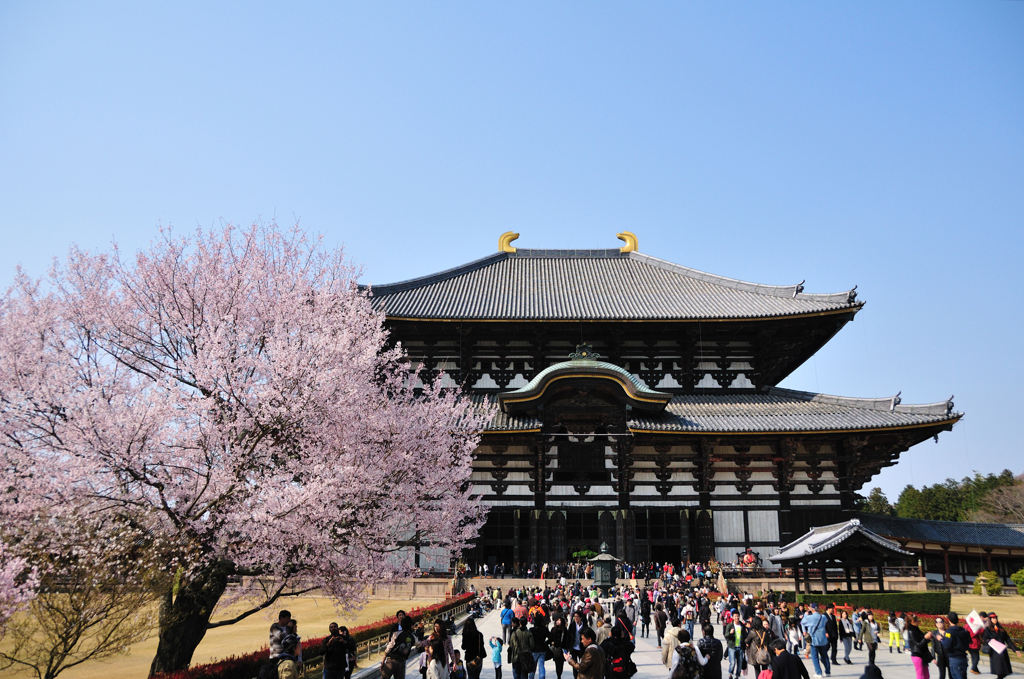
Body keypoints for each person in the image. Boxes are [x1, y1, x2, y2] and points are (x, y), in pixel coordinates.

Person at [982, 612, 1022, 679]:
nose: (995, 619)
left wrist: (1015, 650)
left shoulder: (1001, 629)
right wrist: (990, 640)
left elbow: (1008, 640)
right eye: (993, 618)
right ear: (990, 619)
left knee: (1005, 671)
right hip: (995, 653)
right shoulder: (987, 629)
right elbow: (985, 639)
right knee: (999, 671)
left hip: (1003, 651)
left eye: (995, 618)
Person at [801, 604, 831, 678]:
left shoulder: (810, 617)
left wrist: (805, 615)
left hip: (814, 639)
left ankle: (818, 672)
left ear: (812, 609)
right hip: (823, 639)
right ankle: (828, 671)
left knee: (815, 656)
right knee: (825, 655)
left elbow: (803, 622)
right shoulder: (823, 617)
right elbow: (826, 621)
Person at [941, 612, 972, 679]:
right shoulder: (963, 630)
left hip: (954, 658)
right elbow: (969, 640)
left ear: (949, 620)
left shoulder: (949, 632)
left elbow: (947, 645)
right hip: (963, 657)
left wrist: (941, 639)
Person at [908, 615, 934, 679]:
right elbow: (918, 644)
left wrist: (929, 638)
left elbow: (922, 641)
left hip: (923, 654)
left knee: (926, 676)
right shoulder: (911, 631)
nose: (918, 622)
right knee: (920, 676)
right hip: (917, 654)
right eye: (916, 620)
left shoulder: (917, 629)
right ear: (911, 622)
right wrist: (925, 638)